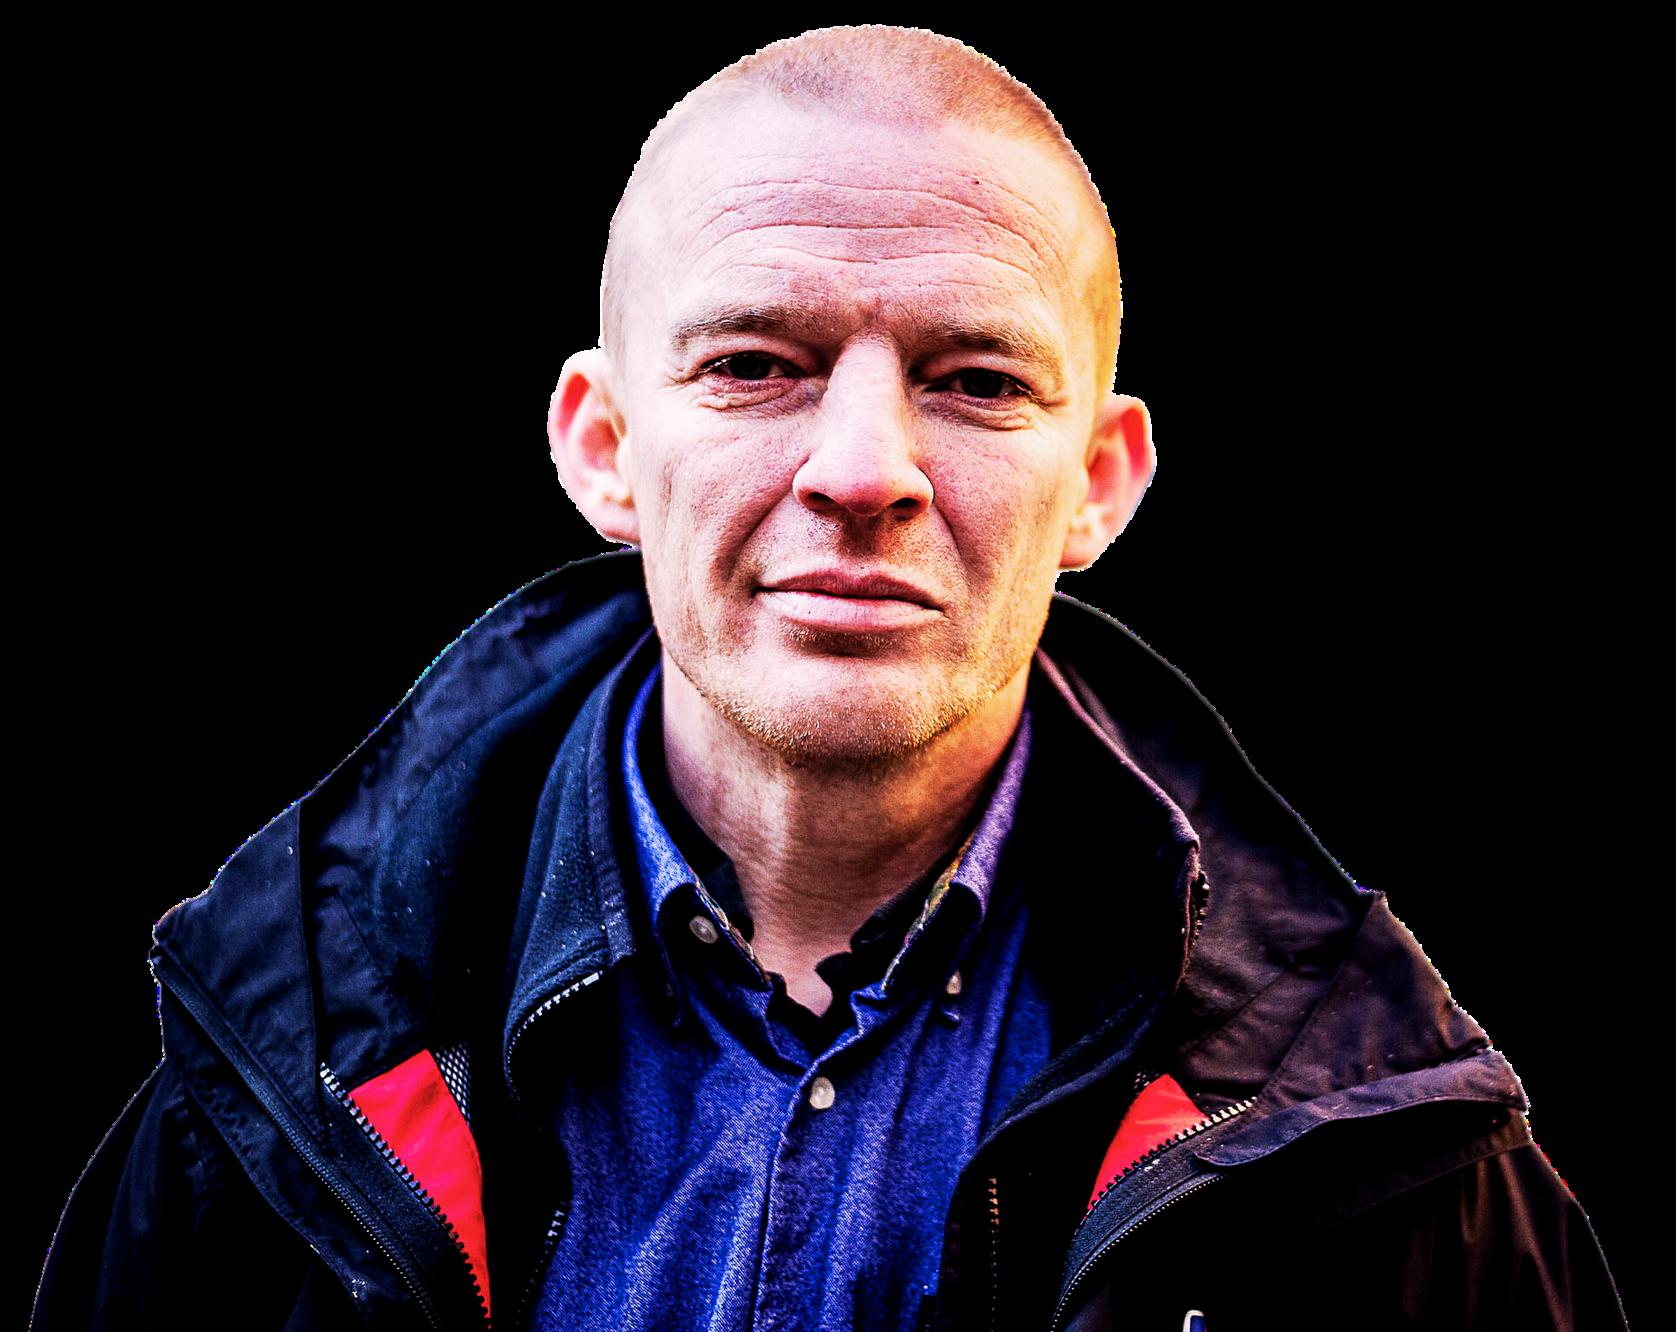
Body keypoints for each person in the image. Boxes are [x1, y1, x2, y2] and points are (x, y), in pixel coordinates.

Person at [33, 24, 1627, 1332]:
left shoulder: (1382, 1153)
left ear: (1100, 482)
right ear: (604, 446)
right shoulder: (272, 1105)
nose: (864, 471)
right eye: (754, 366)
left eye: (976, 380)